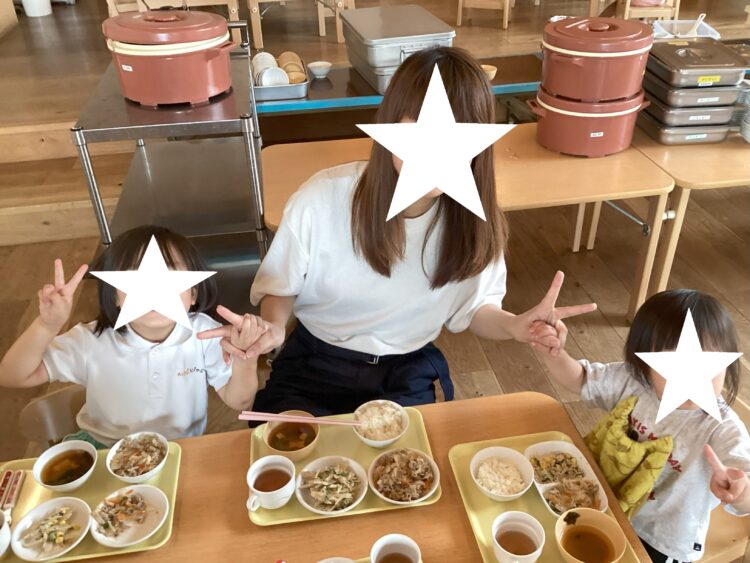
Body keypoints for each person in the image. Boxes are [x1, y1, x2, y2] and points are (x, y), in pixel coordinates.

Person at [201, 47, 596, 416]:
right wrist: (272, 328)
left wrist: (514, 325)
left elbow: (475, 308)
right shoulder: (323, 196)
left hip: (405, 370)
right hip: (316, 359)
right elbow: (280, 286)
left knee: (411, 463)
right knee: (283, 453)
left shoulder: (475, 222)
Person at [531, 289, 750, 563]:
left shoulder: (722, 429)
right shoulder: (633, 381)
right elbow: (580, 379)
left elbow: (744, 478)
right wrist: (555, 353)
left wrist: (741, 492)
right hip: (605, 502)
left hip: (660, 538)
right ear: (644, 363)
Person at [0, 225, 263, 448]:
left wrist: (247, 356)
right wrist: (46, 326)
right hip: (103, 449)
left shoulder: (204, 334)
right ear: (115, 294)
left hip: (180, 450)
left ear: (193, 293)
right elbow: (12, 375)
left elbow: (239, 400)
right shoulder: (90, 341)